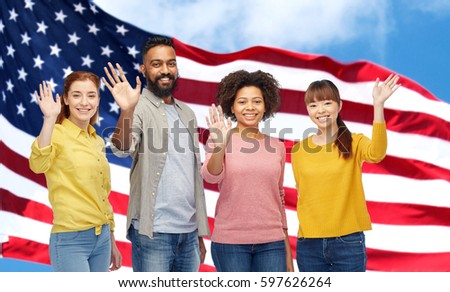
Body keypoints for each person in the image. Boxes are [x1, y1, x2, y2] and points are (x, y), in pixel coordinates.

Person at [102, 35, 210, 272]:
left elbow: (192, 176)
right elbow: (120, 149)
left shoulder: (187, 113)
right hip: (153, 233)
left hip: (189, 235)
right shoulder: (138, 106)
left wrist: (199, 233)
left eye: (170, 64)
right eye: (157, 64)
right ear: (144, 69)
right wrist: (127, 110)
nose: (165, 70)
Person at [291, 74, 401, 272]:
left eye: (327, 102)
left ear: (339, 106)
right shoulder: (299, 151)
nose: (321, 110)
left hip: (348, 242)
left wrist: (378, 105)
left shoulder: (354, 142)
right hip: (309, 245)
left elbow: (377, 153)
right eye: (313, 105)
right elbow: (304, 194)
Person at [201, 69, 294, 272]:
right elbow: (210, 176)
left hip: (272, 243)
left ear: (265, 105)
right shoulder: (219, 138)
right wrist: (220, 145)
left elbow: (279, 197)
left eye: (256, 101)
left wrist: (286, 248)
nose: (250, 107)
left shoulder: (277, 147)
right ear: (232, 107)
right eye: (242, 102)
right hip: (230, 242)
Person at [29, 72, 122, 272]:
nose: (84, 102)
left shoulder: (96, 140)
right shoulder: (56, 133)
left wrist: (111, 240)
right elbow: (38, 164)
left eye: (91, 95)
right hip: (71, 240)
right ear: (66, 99)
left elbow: (103, 195)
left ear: (98, 100)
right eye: (76, 95)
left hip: (102, 238)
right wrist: (49, 120)